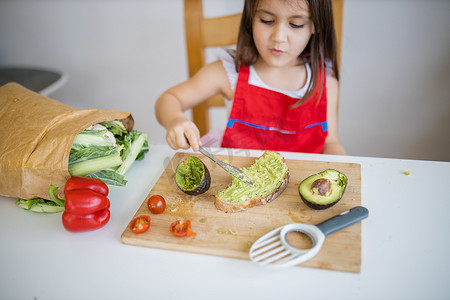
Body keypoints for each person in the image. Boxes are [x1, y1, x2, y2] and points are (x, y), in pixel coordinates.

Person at [155, 0, 346, 155]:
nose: (279, 37)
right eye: (267, 20)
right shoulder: (230, 72)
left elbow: (330, 143)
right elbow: (168, 99)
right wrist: (176, 121)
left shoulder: (326, 83)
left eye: (296, 24)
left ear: (316, 25)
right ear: (251, 18)